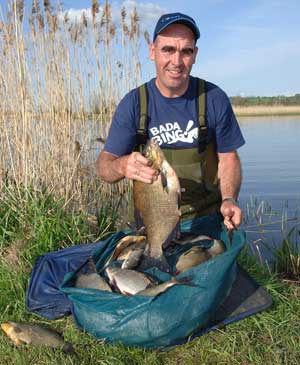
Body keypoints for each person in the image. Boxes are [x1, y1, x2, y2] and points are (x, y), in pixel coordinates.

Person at [96, 12, 245, 231]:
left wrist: (229, 199)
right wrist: (122, 165)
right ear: (152, 51)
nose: (176, 61)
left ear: (195, 55)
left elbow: (229, 159)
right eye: (168, 49)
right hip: (150, 222)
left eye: (185, 51)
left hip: (206, 220)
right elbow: (104, 167)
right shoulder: (134, 104)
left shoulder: (213, 98)